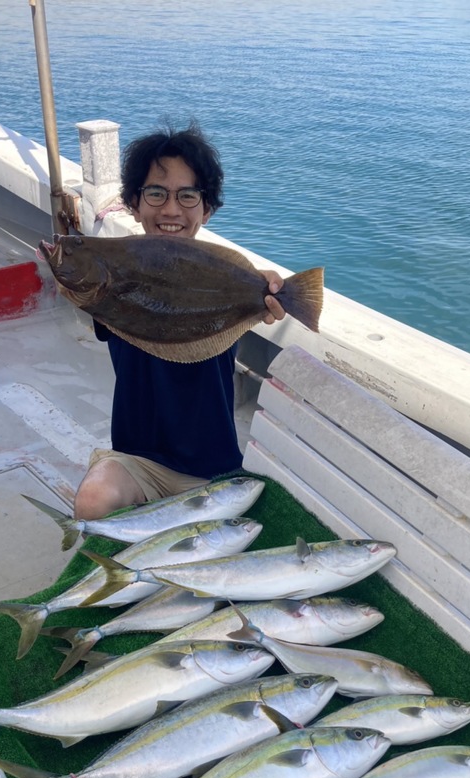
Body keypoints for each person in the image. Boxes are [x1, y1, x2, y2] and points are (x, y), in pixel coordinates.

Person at [73, 122, 285, 520]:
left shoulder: (222, 279)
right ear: (133, 204)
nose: (171, 209)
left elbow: (255, 287)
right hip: (138, 463)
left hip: (212, 468)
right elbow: (87, 278)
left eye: (188, 196)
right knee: (93, 500)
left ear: (207, 209)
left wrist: (267, 294)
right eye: (156, 193)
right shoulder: (113, 274)